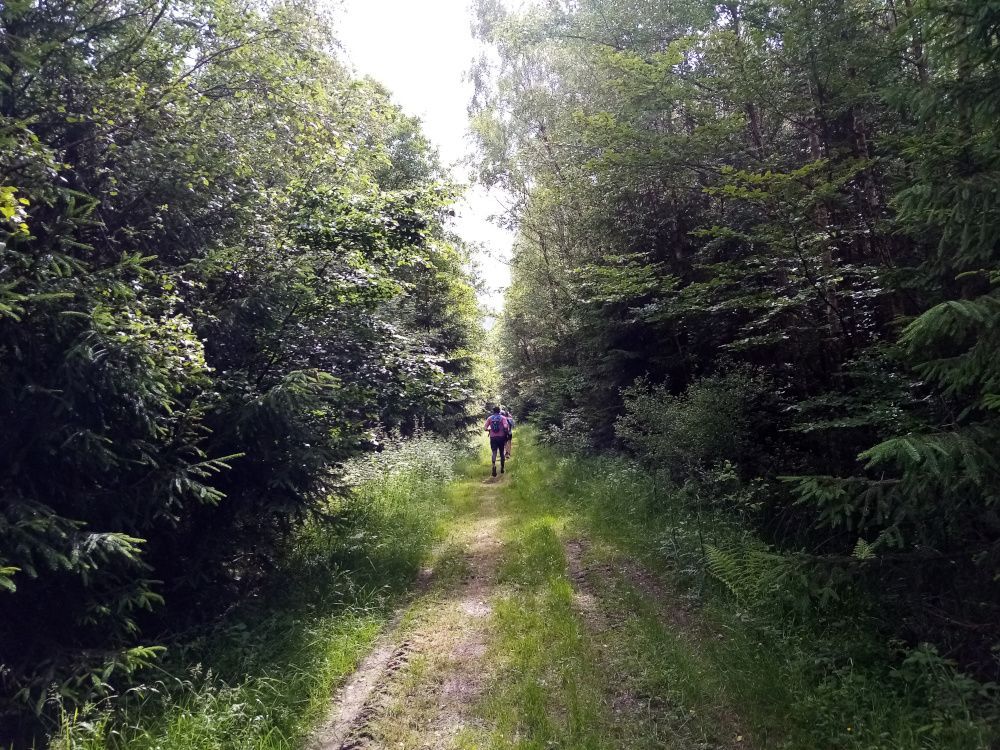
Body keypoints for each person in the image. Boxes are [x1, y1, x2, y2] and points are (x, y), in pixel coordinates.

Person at [484, 405, 511, 477]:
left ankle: (493, 466)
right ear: (499, 411)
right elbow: (506, 426)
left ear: (493, 411)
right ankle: (502, 467)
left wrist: (489, 430)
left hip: (493, 437)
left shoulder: (490, 418)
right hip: (501, 437)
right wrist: (505, 430)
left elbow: (485, 428)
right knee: (502, 452)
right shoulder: (503, 418)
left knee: (494, 452)